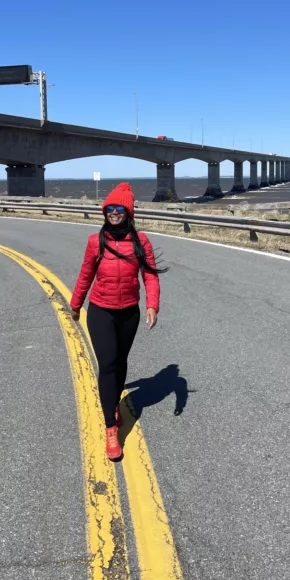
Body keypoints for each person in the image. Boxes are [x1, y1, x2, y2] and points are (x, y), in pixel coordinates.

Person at [70, 182, 166, 460]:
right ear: (104, 212)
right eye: (109, 208)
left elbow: (150, 275)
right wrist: (76, 305)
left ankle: (112, 402)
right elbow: (85, 275)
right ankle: (111, 427)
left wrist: (152, 305)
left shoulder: (140, 242)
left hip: (129, 312)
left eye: (119, 208)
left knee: (121, 362)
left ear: (128, 212)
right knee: (108, 364)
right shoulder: (95, 241)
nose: (113, 213)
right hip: (100, 311)